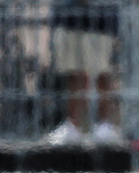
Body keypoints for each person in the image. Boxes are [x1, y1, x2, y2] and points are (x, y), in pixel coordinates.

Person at [47, 0, 120, 144]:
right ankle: (73, 126)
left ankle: (105, 125)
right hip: (68, 17)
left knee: (102, 72)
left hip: (100, 19)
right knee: (73, 73)